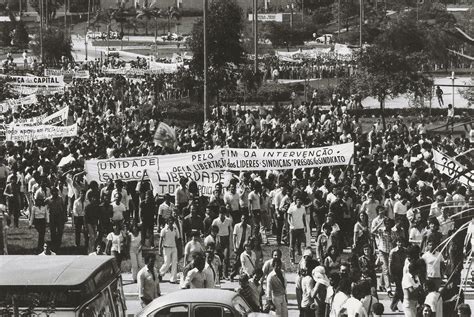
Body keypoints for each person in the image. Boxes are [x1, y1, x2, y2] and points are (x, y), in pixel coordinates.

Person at [230, 215, 251, 281]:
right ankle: (232, 274)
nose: (244, 220)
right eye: (243, 218)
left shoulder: (249, 227)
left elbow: (249, 238)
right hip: (238, 246)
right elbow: (234, 237)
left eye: (245, 219)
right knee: (236, 261)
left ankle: (244, 275)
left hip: (245, 246)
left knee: (245, 261)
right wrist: (234, 247)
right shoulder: (237, 226)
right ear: (241, 219)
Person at [159, 217, 179, 283]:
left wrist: (178, 247)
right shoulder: (164, 230)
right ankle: (160, 274)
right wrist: (160, 249)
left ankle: (173, 279)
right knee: (167, 263)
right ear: (167, 221)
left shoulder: (175, 229)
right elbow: (161, 240)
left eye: (172, 220)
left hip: (174, 248)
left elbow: (176, 239)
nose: (171, 222)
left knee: (174, 263)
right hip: (166, 248)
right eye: (169, 220)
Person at [288, 196, 306, 264]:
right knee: (292, 245)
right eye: (298, 200)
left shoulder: (303, 208)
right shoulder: (292, 208)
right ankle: (292, 259)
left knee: (303, 244)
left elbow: (303, 218)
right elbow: (288, 218)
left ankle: (304, 259)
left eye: (300, 200)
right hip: (293, 229)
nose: (299, 202)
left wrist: (305, 226)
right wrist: (291, 225)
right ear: (296, 201)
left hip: (301, 228)